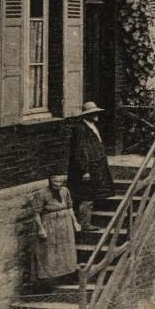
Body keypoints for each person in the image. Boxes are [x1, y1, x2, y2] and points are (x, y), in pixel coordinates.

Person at [68, 102, 115, 232]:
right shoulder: (81, 129)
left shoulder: (92, 126)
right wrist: (84, 170)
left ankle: (86, 221)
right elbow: (80, 150)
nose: (96, 115)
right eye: (93, 113)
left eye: (96, 112)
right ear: (87, 115)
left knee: (91, 193)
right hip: (88, 169)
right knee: (86, 195)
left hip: (96, 166)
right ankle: (85, 223)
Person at [30, 174, 80, 286]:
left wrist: (75, 222)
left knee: (67, 250)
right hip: (50, 224)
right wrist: (40, 229)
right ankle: (49, 280)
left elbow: (69, 207)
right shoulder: (41, 193)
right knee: (50, 251)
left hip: (65, 224)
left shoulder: (65, 190)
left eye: (60, 182)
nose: (58, 184)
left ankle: (68, 275)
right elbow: (36, 213)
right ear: (50, 181)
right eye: (55, 182)